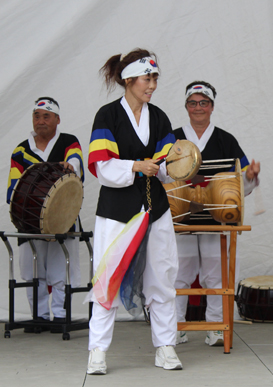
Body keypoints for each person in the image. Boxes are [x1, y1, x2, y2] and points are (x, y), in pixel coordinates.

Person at [86, 48, 181, 374]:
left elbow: (167, 168)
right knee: (107, 279)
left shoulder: (160, 118)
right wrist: (136, 166)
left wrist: (180, 164)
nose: (152, 85)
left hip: (156, 209)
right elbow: (101, 168)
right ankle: (97, 351)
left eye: (155, 78)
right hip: (116, 211)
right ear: (128, 79)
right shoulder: (108, 116)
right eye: (147, 78)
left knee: (162, 277)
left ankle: (166, 346)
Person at [173, 81, 260, 346]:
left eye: (203, 103)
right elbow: (162, 175)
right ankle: (173, 326)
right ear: (186, 106)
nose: (198, 108)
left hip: (215, 216)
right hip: (182, 216)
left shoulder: (226, 139)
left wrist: (251, 176)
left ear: (212, 107)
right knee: (179, 272)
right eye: (193, 103)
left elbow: (239, 178)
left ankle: (215, 327)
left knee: (215, 273)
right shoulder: (173, 138)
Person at [6, 97, 83, 332]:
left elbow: (75, 162)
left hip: (63, 220)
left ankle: (60, 315)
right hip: (29, 221)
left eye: (46, 116)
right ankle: (38, 316)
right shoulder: (21, 150)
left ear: (57, 119)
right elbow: (13, 188)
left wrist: (71, 167)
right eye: (37, 116)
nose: (41, 121)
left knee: (62, 269)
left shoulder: (69, 142)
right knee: (32, 271)